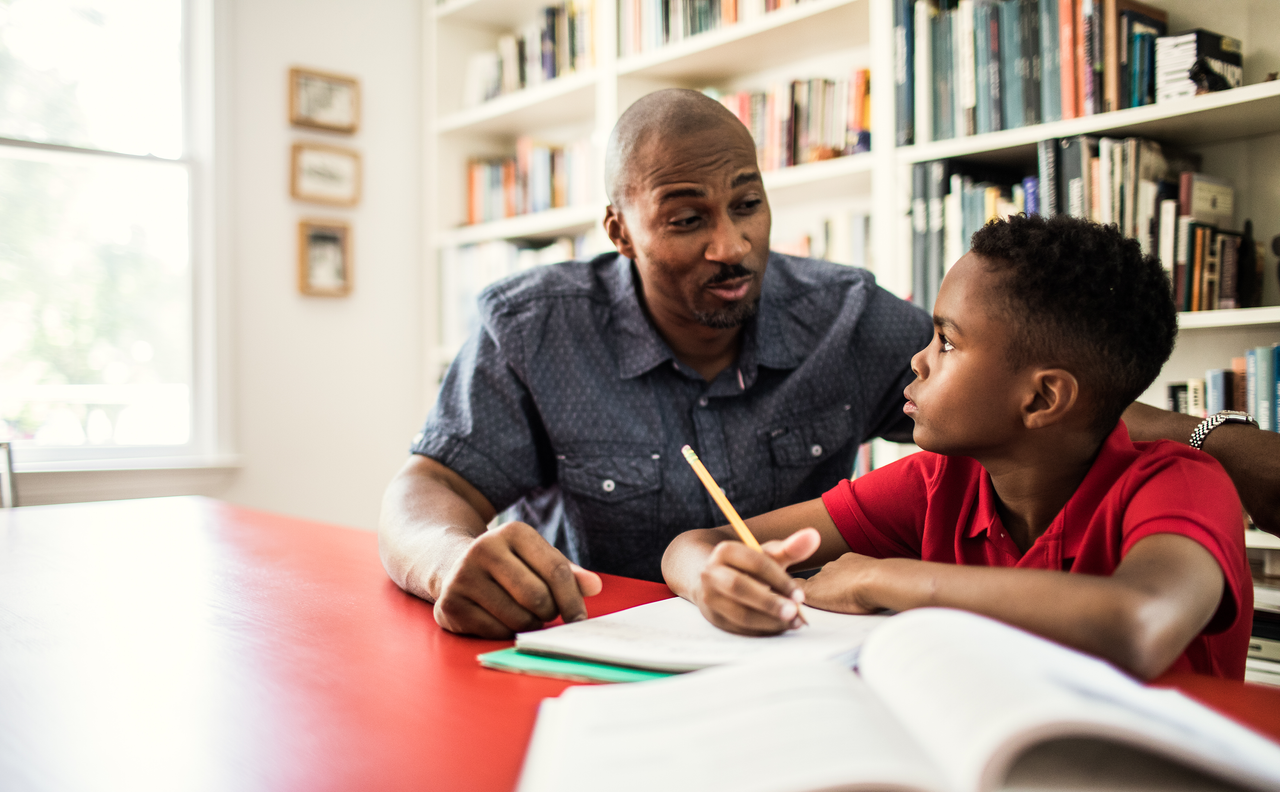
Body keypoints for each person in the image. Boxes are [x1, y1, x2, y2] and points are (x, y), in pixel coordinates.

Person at [381, 87, 1280, 641]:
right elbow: (427, 491)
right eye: (688, 218)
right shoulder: (533, 325)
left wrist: (1221, 442)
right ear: (620, 230)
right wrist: (444, 561)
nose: (732, 245)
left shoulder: (847, 320)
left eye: (748, 204)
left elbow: (1058, 405)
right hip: (594, 653)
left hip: (794, 657)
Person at [662, 215, 1252, 680]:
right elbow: (696, 544)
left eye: (946, 341)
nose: (917, 360)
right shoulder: (938, 483)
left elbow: (1137, 624)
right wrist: (709, 579)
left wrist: (883, 580)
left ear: (1043, 399)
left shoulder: (1184, 484)